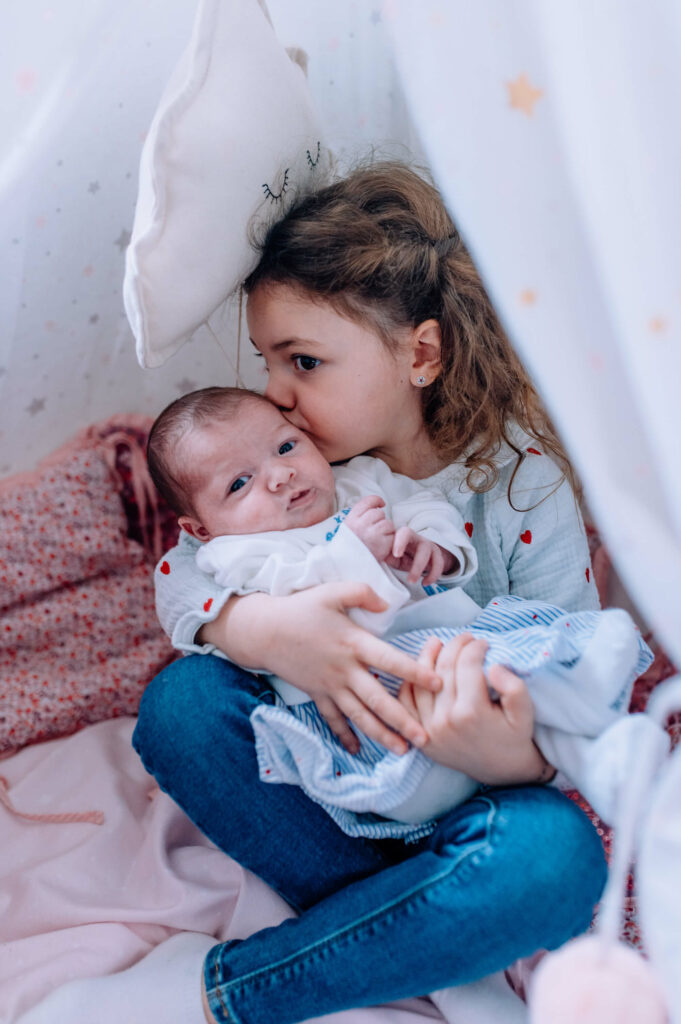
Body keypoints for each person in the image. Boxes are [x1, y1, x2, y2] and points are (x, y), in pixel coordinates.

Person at [132, 160, 610, 1024]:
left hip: (469, 792)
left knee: (557, 862)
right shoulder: (286, 467)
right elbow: (184, 579)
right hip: (329, 779)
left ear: (417, 355)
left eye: (303, 361)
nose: (274, 395)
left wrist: (512, 759)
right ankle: (425, 940)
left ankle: (253, 986)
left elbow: (575, 663)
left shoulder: (521, 485)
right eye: (268, 362)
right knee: (180, 706)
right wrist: (264, 632)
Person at [147, 384, 651, 836]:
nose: (279, 475)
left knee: (529, 678)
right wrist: (350, 553)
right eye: (239, 484)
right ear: (200, 530)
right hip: (374, 712)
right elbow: (294, 599)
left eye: (285, 447)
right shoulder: (235, 555)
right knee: (434, 787)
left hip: (456, 653)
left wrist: (438, 548)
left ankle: (597, 751)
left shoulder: (361, 480)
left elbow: (425, 508)